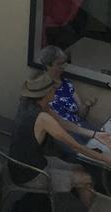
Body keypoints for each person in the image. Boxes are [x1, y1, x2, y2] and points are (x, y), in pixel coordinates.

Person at [10, 72, 108, 208]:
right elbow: (76, 147)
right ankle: (88, 203)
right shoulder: (42, 117)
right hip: (29, 173)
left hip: (26, 162)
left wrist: (94, 134)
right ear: (48, 92)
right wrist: (105, 159)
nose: (56, 92)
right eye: (54, 89)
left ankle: (82, 196)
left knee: (79, 167)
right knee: (87, 178)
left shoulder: (31, 104)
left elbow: (63, 122)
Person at [39, 45, 99, 130]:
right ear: (48, 65)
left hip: (80, 127)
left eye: (64, 63)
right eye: (59, 64)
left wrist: (87, 105)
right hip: (61, 131)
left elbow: (81, 114)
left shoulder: (67, 84)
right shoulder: (40, 86)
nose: (63, 67)